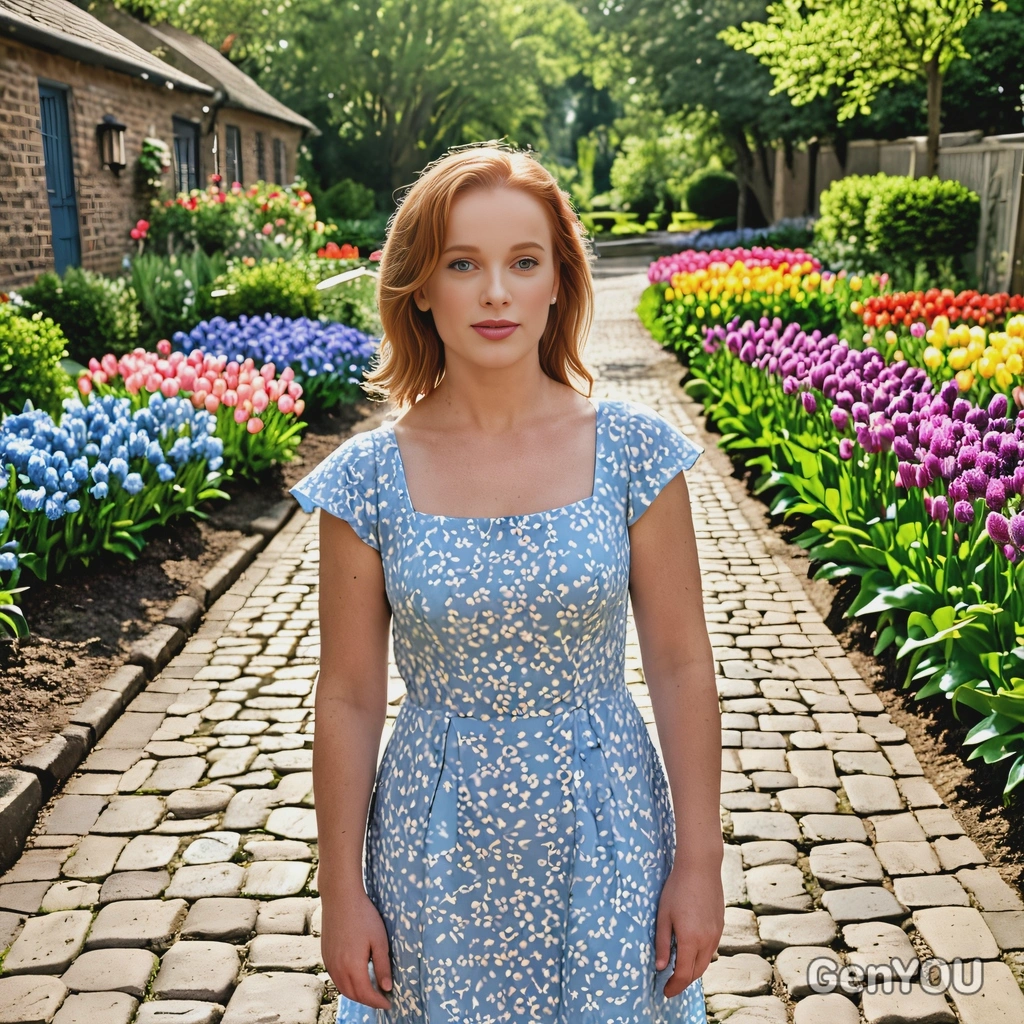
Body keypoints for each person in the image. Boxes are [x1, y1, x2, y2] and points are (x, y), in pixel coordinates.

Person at [290, 140, 724, 1024]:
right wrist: (340, 889)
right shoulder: (366, 479)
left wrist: (700, 864)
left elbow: (682, 668)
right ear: (419, 283)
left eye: (524, 263)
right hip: (434, 838)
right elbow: (346, 696)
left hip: (607, 831)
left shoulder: (635, 455)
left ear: (558, 280)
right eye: (463, 264)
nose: (495, 292)